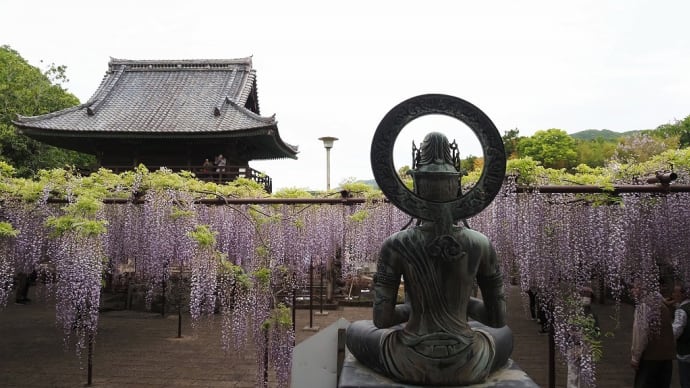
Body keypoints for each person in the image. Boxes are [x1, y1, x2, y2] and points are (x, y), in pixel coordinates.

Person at [346, 132, 512, 386]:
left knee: (355, 331)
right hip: (469, 360)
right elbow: (496, 318)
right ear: (457, 186)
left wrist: (417, 308)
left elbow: (382, 320)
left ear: (415, 188)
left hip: (409, 358)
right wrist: (461, 302)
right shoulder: (480, 243)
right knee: (504, 335)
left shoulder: (396, 243)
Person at [631, 280, 675, 388]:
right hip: (666, 357)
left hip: (650, 358)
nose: (633, 291)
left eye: (635, 287)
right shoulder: (662, 305)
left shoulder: (644, 306)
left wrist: (635, 357)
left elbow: (640, 334)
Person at [567, 287, 599, 388]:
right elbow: (569, 330)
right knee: (573, 373)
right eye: (584, 295)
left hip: (587, 346)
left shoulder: (593, 314)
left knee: (585, 373)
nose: (586, 298)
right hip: (574, 346)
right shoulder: (574, 313)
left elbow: (596, 332)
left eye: (588, 296)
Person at [671, 283, 690, 388]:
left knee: (686, 381)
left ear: (682, 295)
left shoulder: (681, 311)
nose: (673, 294)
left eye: (675, 292)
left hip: (686, 352)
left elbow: (675, 331)